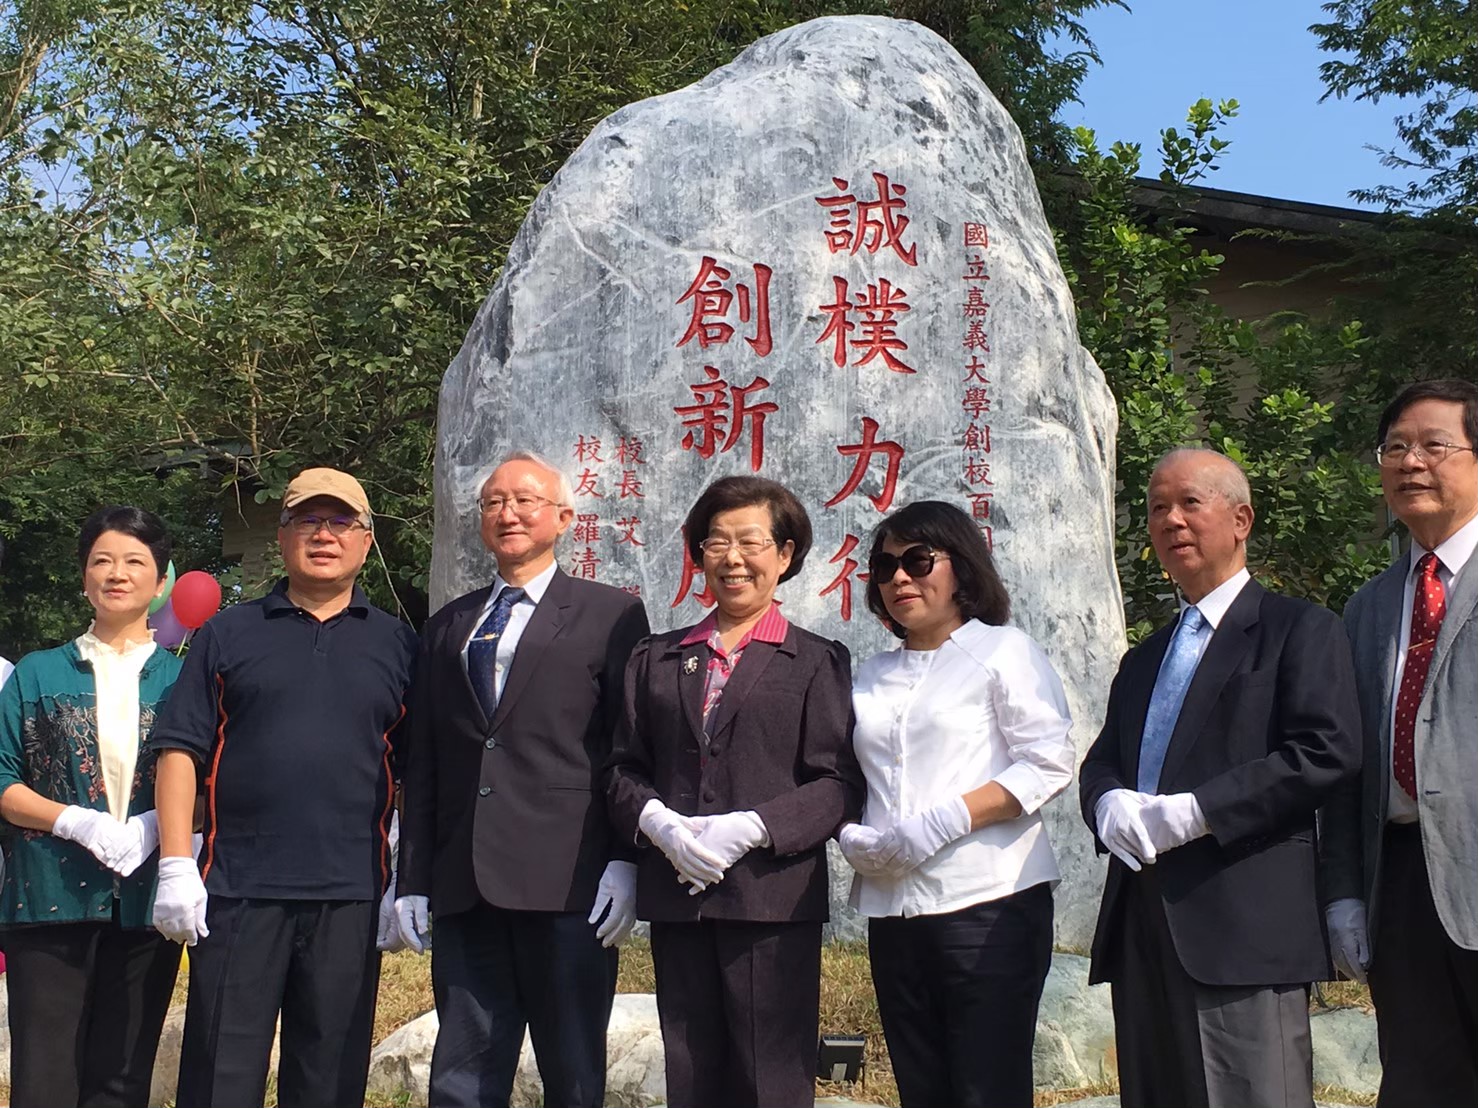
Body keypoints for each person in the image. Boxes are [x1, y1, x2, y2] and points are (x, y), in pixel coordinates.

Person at [1079, 447, 1361, 1108]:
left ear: (1241, 519)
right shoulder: (1146, 656)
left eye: (1188, 503)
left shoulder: (1299, 630)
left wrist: (1200, 811)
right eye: (1156, 508)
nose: (1170, 520)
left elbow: (1327, 750)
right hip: (1141, 925)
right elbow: (1102, 760)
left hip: (1242, 927)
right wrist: (1107, 800)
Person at [148, 467, 417, 1108]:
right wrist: (177, 865)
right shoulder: (229, 633)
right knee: (221, 1075)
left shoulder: (399, 642)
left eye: (342, 521)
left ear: (366, 538)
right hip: (239, 889)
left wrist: (410, 873)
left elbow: (416, 768)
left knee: (328, 1076)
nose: (325, 535)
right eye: (309, 520)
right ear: (284, 534)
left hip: (351, 894)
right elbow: (181, 748)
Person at [395, 451, 649, 1108]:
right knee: (462, 1075)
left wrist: (626, 860)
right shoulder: (450, 622)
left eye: (525, 500)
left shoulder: (611, 614)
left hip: (569, 880)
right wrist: (413, 878)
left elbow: (629, 746)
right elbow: (425, 759)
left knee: (572, 1070)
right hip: (465, 883)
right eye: (494, 502)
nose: (508, 513)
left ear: (563, 517)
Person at [606, 475, 862, 1108]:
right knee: (690, 1074)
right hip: (678, 896)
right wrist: (656, 823)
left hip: (771, 899)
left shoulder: (816, 661)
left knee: (770, 1078)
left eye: (751, 541)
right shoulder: (656, 659)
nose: (732, 558)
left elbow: (837, 782)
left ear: (785, 554)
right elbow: (621, 768)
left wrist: (756, 826)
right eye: (715, 542)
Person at [840, 500, 1074, 1108]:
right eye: (884, 566)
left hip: (988, 904)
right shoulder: (869, 675)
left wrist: (948, 819)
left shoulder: (1002, 652)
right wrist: (851, 832)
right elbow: (848, 773)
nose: (899, 578)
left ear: (961, 567)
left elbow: (1049, 762)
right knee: (923, 1087)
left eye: (918, 560)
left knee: (985, 1088)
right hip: (894, 910)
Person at [1321, 379, 1478, 1105]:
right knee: (1419, 1078)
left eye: (1433, 446)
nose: (1410, 462)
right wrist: (1345, 892)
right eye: (1395, 448)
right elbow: (1346, 763)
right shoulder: (1371, 606)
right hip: (1403, 882)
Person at [0, 505, 181, 1108]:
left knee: (121, 1080)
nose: (116, 573)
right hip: (48, 898)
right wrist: (71, 819)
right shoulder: (36, 673)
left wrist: (158, 826)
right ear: (84, 578)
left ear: (161, 583)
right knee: (44, 1081)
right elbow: (3, 780)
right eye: (101, 561)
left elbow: (218, 787)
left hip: (145, 901)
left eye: (135, 562)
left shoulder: (184, 680)